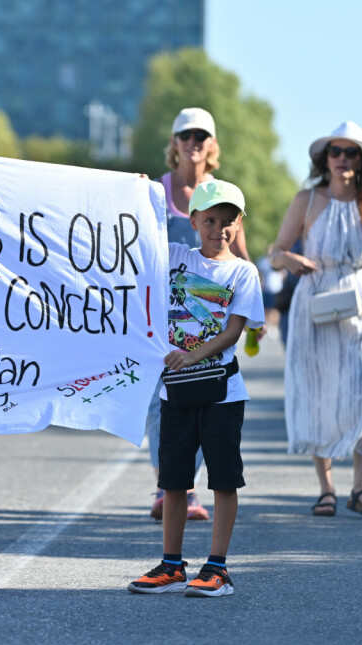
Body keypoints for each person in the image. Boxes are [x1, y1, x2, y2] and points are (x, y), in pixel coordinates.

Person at [128, 180, 264, 598]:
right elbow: (137, 236)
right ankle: (171, 566)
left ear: (239, 225)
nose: (218, 229)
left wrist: (192, 354)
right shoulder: (173, 257)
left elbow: (233, 332)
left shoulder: (243, 272)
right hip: (176, 391)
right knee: (174, 481)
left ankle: (217, 569)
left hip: (221, 391)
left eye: (227, 221)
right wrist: (136, 194)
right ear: (192, 221)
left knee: (223, 480)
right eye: (209, 220)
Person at [269, 121, 362, 517]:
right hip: (316, 297)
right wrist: (289, 259)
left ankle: (361, 487)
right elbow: (275, 250)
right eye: (335, 152)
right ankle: (326, 488)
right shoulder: (307, 199)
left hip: (361, 300)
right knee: (318, 391)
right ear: (325, 159)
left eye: (350, 152)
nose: (341, 159)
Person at [146, 107, 223, 522]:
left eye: (200, 136)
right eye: (185, 135)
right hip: (158, 318)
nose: (192, 142)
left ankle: (181, 488)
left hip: (205, 320)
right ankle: (171, 487)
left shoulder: (222, 194)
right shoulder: (154, 194)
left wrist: (253, 314)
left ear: (211, 145)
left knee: (199, 403)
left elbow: (236, 254)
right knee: (159, 405)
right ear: (174, 143)